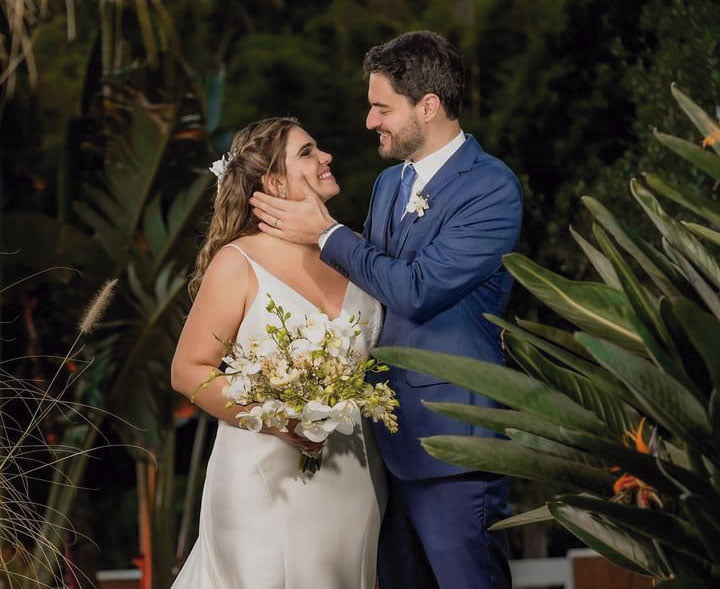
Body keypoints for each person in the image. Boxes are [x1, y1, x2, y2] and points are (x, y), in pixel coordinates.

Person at [249, 31, 522, 589]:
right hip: (378, 445)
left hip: (453, 444)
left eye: (382, 108)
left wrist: (327, 233)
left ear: (428, 106)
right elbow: (367, 290)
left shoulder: (491, 188)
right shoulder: (388, 184)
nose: (370, 120)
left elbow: (417, 290)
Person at [170, 117, 387, 589]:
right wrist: (277, 420)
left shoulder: (353, 251)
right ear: (273, 183)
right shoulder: (238, 262)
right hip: (265, 478)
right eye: (307, 152)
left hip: (353, 474)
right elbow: (188, 371)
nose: (326, 157)